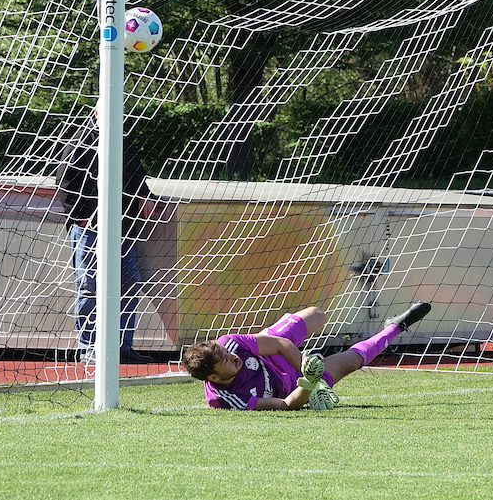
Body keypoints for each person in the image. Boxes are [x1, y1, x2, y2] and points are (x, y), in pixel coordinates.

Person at [56, 106, 165, 364]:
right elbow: (64, 181)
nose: (118, 116)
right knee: (90, 285)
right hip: (90, 229)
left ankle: (121, 347)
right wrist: (81, 217)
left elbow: (136, 176)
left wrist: (145, 197)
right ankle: (89, 348)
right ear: (96, 113)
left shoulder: (123, 140)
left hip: (123, 228)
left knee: (129, 283)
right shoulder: (81, 141)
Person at [182, 302, 431, 410]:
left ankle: (269, 332)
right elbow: (285, 405)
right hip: (294, 385)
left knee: (317, 314)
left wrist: (305, 365)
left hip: (274, 350)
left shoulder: (230, 344)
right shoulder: (226, 399)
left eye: (227, 353)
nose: (232, 357)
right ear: (214, 377)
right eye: (225, 360)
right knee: (353, 361)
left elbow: (281, 344)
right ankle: (395, 327)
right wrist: (311, 382)